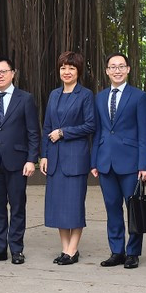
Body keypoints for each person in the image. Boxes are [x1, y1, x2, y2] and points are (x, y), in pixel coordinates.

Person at [0, 56, 40, 265]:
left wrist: (32, 159)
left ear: (13, 73)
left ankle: (17, 249)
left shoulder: (25, 98)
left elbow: (33, 132)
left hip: (18, 162)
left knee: (18, 206)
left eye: (3, 71)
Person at [90, 52, 146, 269]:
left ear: (128, 69)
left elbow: (145, 132)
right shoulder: (100, 97)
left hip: (131, 163)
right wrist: (94, 161)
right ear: (107, 71)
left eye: (121, 66)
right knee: (111, 208)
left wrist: (143, 165)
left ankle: (133, 252)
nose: (117, 70)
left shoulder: (139, 96)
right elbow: (98, 131)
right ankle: (117, 250)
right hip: (105, 162)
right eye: (112, 67)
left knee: (133, 208)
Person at [40, 51, 95, 265]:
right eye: (63, 67)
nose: (67, 71)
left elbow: (90, 125)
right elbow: (46, 127)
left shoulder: (85, 95)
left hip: (75, 158)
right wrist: (43, 155)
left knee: (74, 206)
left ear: (78, 71)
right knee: (58, 206)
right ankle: (65, 249)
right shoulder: (54, 95)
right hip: (54, 158)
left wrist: (64, 132)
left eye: (71, 68)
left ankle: (73, 250)